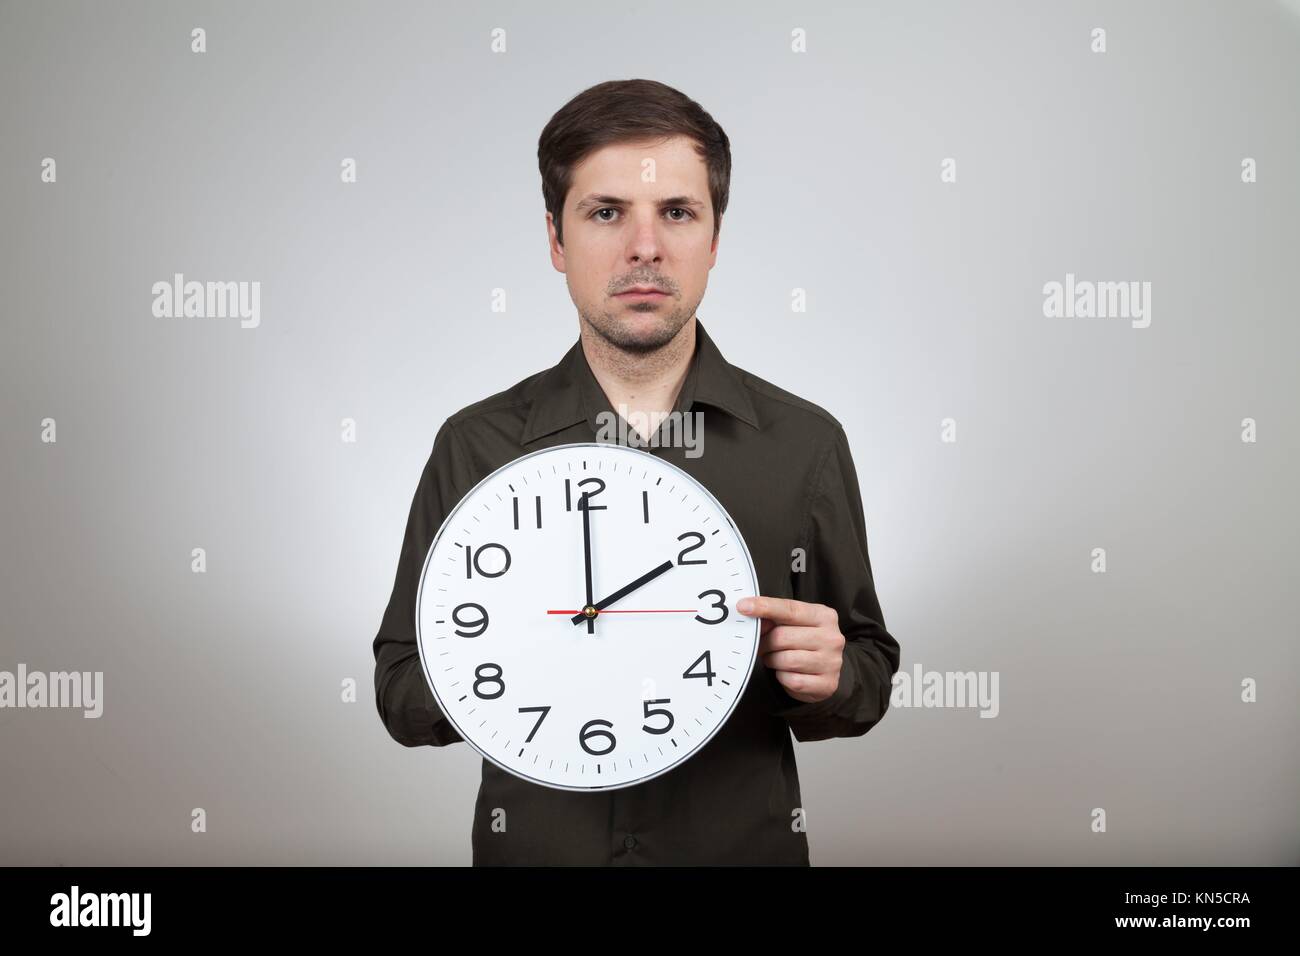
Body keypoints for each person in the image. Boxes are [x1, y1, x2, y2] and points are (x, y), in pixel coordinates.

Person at [373, 78, 900, 865]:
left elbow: (866, 672)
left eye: (677, 213)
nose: (644, 247)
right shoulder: (476, 447)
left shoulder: (804, 443)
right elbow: (402, 694)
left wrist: (832, 676)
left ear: (715, 238)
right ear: (556, 239)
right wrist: (504, 658)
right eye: (607, 212)